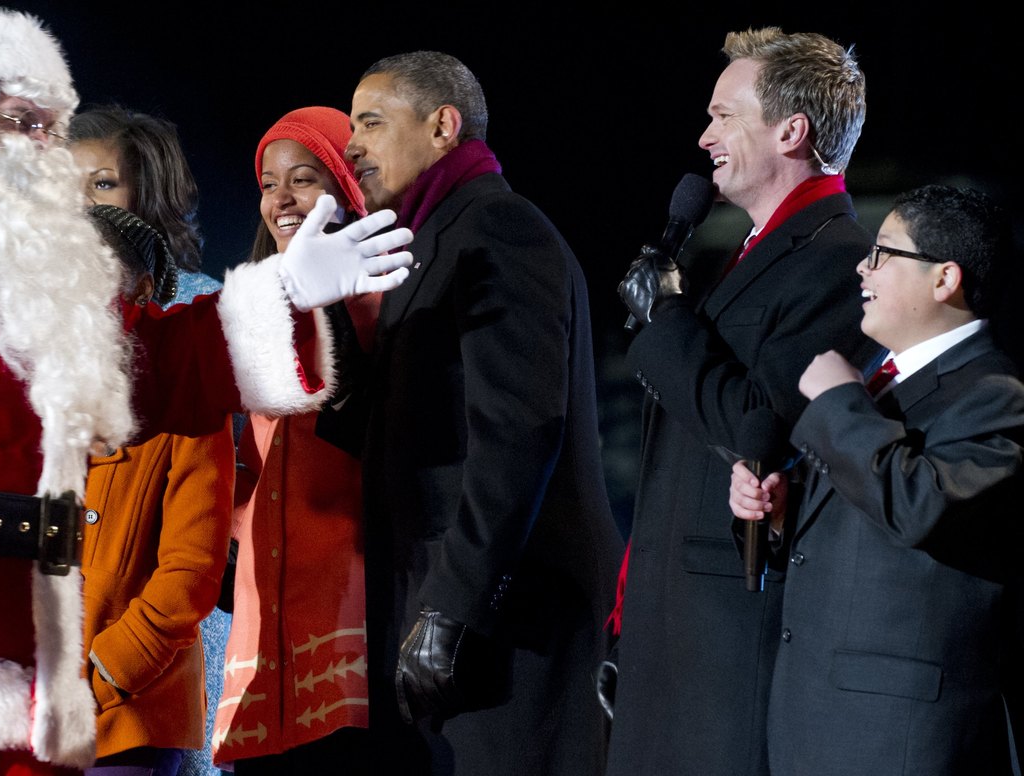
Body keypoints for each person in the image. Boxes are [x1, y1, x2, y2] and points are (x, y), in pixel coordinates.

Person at [0, 10, 411, 775]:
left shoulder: (59, 275)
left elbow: (159, 364)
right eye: (20, 123)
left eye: (51, 127)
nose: (44, 148)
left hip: (40, 664)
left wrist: (287, 290)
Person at [336, 51, 624, 775]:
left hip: (508, 618)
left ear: (443, 125)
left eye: (371, 122)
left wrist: (450, 610)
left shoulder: (498, 228)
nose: (352, 147)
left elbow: (518, 432)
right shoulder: (430, 237)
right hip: (452, 602)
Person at [610, 27, 877, 775]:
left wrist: (667, 319)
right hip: (670, 630)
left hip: (726, 638)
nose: (704, 137)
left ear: (791, 130)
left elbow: (760, 427)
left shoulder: (841, 260)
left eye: (724, 115)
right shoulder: (752, 252)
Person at [728, 184, 1024, 774]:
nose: (862, 267)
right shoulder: (881, 381)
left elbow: (923, 504)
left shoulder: (997, 395)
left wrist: (839, 404)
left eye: (884, 252)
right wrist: (783, 515)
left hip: (899, 739)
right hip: (816, 723)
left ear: (945, 280)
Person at [212, 106, 374, 775]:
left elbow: (366, 426)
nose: (280, 198)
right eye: (269, 182)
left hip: (347, 608)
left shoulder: (375, 297)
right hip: (258, 613)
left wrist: (327, 301)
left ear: (344, 187)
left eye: (303, 179)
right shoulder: (249, 307)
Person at [69, 108, 230, 776]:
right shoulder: (21, 322)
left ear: (150, 192)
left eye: (103, 183)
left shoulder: (200, 319)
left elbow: (198, 545)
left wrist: (112, 663)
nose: (81, 200)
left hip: (150, 645)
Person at [68, 105, 221, 305]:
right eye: (67, 181)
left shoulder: (204, 305)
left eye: (103, 184)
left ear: (147, 196)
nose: (79, 199)